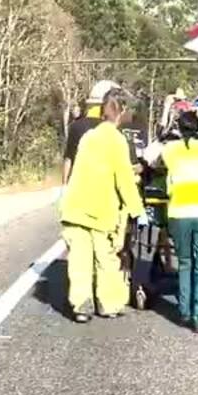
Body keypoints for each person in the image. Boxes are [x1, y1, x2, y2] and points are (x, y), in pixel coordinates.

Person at [59, 87, 146, 323]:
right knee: (106, 259)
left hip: (75, 206)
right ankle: (108, 304)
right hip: (101, 210)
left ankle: (81, 305)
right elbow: (124, 181)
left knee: (79, 260)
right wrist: (137, 211)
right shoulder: (117, 140)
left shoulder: (89, 136)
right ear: (123, 111)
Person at [143, 110, 198, 333]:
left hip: (178, 213)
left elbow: (153, 161)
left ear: (178, 128)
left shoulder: (170, 150)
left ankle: (185, 312)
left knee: (186, 262)